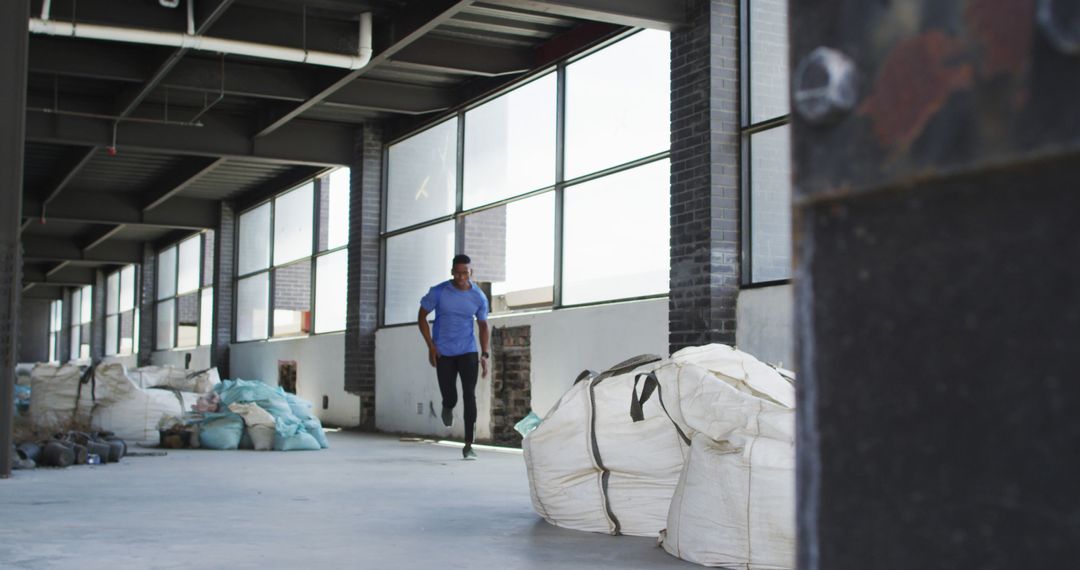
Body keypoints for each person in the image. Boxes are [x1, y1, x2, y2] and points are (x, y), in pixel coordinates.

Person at [417, 254, 490, 460]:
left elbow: (483, 325)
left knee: (470, 395)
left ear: (471, 273)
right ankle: (447, 406)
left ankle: (469, 444)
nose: (461, 277)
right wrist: (431, 346)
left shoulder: (478, 296)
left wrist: (484, 353)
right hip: (444, 352)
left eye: (465, 273)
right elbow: (421, 317)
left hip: (468, 350)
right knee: (451, 396)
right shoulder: (439, 292)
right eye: (457, 273)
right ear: (452, 272)